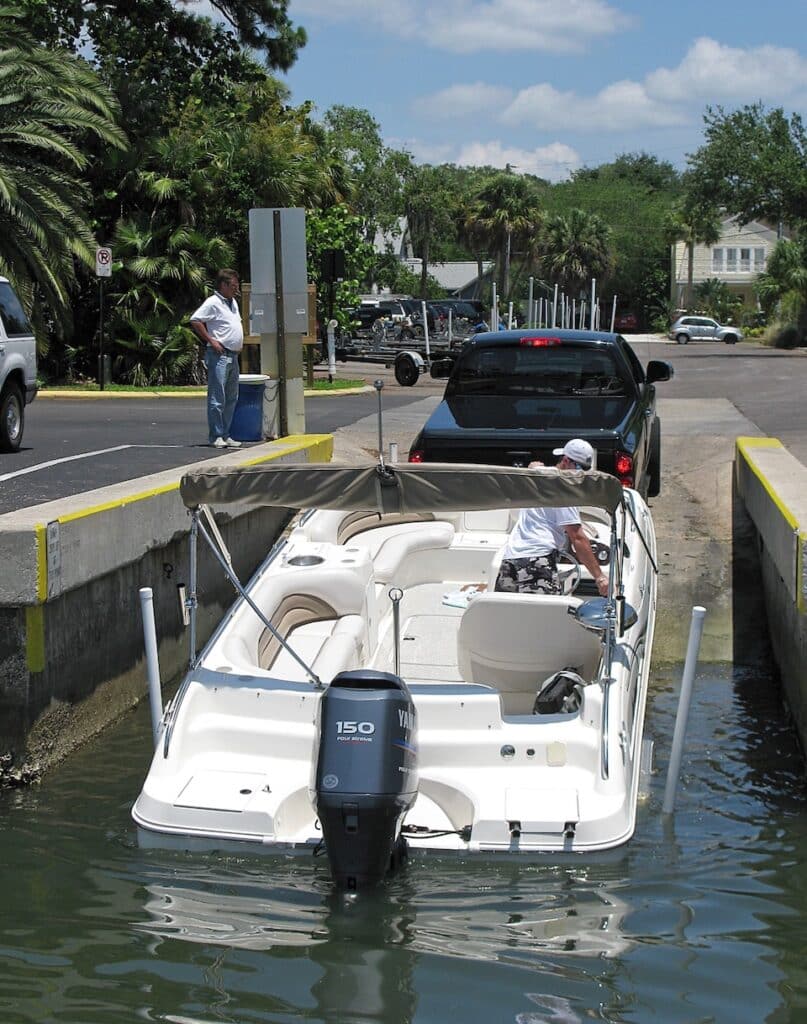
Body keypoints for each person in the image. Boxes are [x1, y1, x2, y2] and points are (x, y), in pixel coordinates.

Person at [494, 439, 609, 597]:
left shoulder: (537, 474)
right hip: (537, 560)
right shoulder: (564, 489)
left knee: (507, 616)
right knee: (545, 616)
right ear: (566, 460)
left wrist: (533, 467)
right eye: (579, 468)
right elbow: (578, 538)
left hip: (510, 558)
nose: (581, 474)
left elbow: (532, 470)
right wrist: (600, 577)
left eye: (586, 471)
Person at [190, 269, 244, 448]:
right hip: (219, 354)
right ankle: (215, 435)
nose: (236, 289)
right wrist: (211, 340)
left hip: (233, 355)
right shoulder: (213, 302)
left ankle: (226, 433)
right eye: (233, 286)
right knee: (217, 397)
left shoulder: (233, 302)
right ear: (223, 285)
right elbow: (196, 320)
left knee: (231, 397)